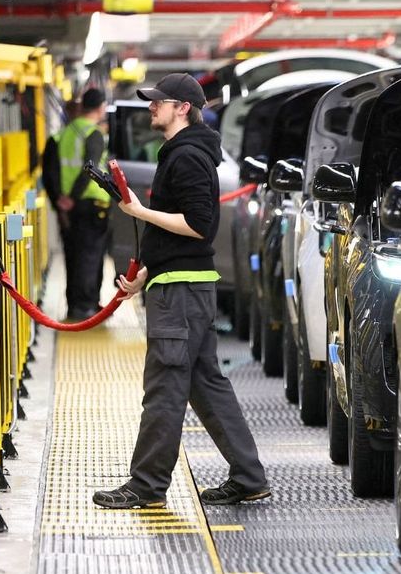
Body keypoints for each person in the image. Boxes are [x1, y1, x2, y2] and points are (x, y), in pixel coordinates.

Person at [92, 73, 270, 509]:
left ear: (183, 108)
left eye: (159, 102)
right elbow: (179, 237)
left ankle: (146, 485)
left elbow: (197, 225)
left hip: (182, 293)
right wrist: (145, 274)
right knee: (205, 383)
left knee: (165, 387)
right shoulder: (182, 153)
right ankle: (248, 476)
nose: (152, 107)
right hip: (184, 284)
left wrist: (139, 210)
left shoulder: (187, 157)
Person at [56, 88, 110, 320]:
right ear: (100, 107)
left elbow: (58, 168)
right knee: (91, 256)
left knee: (75, 255)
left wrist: (64, 197)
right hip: (90, 202)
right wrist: (73, 196)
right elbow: (90, 170)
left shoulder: (66, 132)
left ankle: (75, 303)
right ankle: (85, 306)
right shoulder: (93, 133)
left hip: (71, 205)